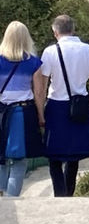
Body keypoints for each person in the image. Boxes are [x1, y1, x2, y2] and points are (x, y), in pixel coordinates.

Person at [39, 15, 89, 197]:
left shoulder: (50, 52)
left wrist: (40, 111)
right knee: (74, 155)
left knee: (54, 155)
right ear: (73, 29)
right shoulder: (86, 49)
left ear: (55, 31)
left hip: (56, 106)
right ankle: (69, 194)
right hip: (80, 106)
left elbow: (42, 85)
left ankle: (60, 194)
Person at [0, 21, 45, 197]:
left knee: (1, 158)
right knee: (18, 160)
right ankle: (12, 201)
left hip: (1, 111)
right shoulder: (34, 63)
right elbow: (39, 92)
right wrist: (41, 116)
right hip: (22, 112)